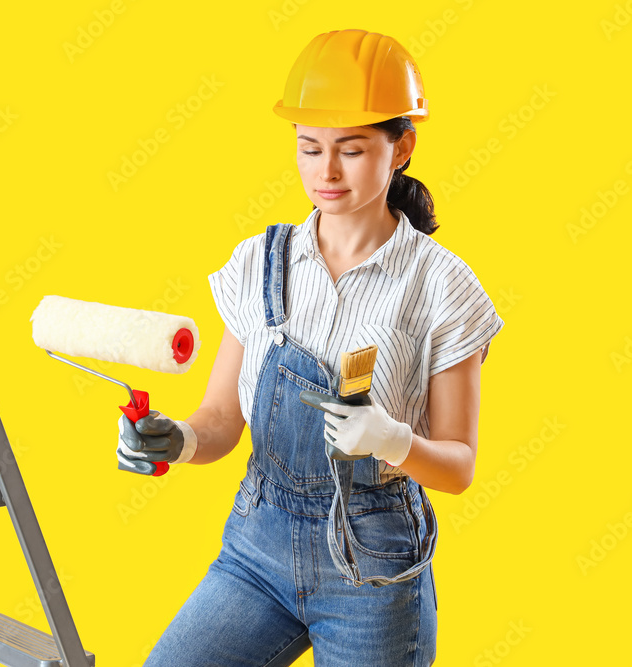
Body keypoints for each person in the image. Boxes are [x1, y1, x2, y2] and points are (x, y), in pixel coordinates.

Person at [116, 28, 504, 666]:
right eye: (309, 148)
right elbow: (219, 421)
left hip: (373, 570)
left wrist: (393, 441)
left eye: (351, 150)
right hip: (256, 548)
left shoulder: (442, 286)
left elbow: (459, 467)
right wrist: (175, 440)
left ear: (400, 147)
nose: (326, 172)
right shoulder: (258, 264)